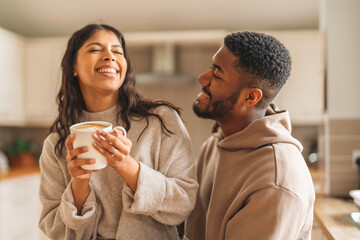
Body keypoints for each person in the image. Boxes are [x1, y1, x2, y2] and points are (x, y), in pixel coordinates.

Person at [38, 24, 198, 240]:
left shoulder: (161, 121)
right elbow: (55, 230)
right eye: (95, 49)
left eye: (117, 51)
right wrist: (79, 183)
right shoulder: (57, 144)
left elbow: (183, 203)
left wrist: (127, 166)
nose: (109, 57)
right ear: (73, 66)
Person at [184, 31, 315, 240]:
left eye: (217, 74)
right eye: (212, 67)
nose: (203, 78)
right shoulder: (217, 142)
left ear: (250, 97)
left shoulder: (276, 181)